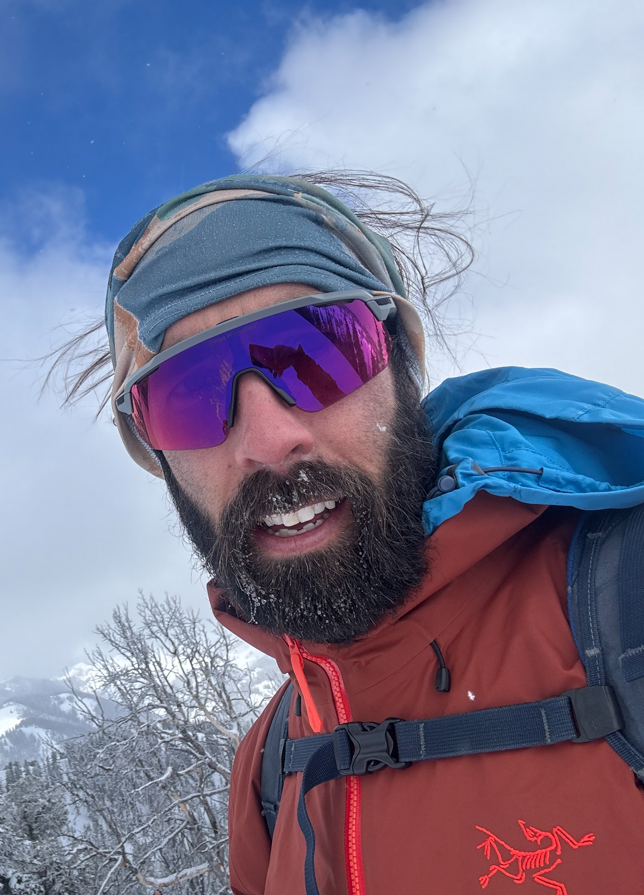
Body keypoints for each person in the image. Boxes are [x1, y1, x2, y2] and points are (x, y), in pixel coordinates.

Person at [67, 173, 644, 894]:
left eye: (316, 353)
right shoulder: (271, 771)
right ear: (159, 458)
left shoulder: (627, 601)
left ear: (401, 364)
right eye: (186, 397)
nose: (270, 440)